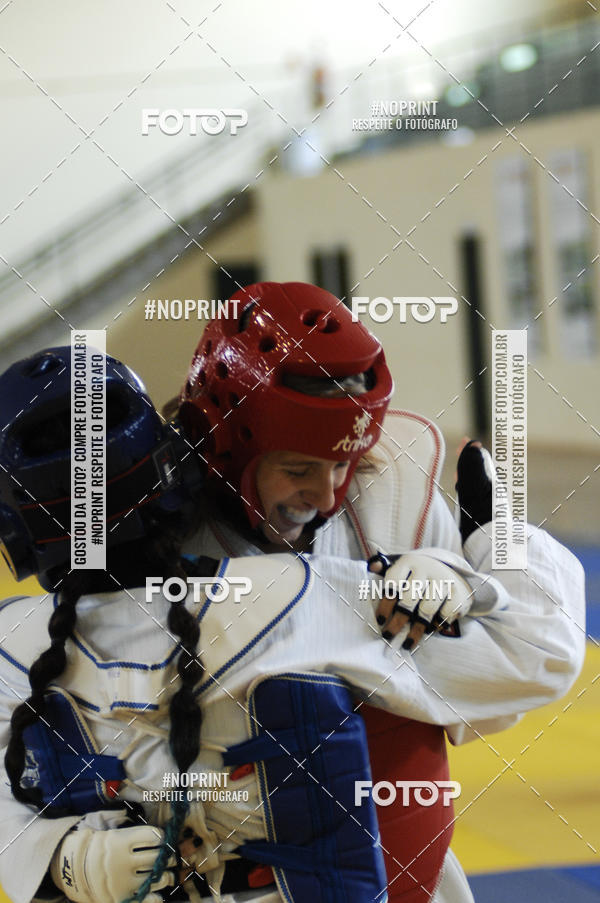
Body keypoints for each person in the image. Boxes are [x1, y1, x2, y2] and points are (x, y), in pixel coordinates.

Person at [1, 346, 570, 903]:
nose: (325, 492)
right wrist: (492, 545)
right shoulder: (290, 596)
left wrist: (68, 861)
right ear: (172, 475)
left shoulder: (13, 648)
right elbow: (536, 653)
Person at [176, 280, 586, 903]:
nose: (326, 493)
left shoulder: (392, 496)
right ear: (230, 443)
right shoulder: (164, 549)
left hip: (409, 875)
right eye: (298, 468)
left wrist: (496, 561)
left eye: (344, 463)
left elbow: (523, 677)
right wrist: (386, 624)